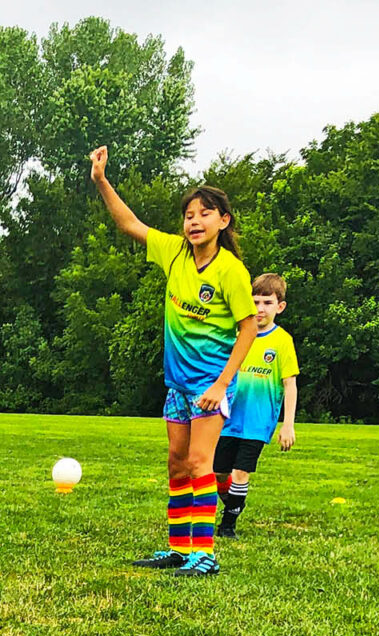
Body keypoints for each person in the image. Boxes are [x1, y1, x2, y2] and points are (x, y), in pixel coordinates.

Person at [90, 146, 255, 576]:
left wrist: (221, 385)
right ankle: (180, 549)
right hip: (178, 386)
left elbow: (249, 328)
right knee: (177, 464)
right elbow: (129, 223)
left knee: (201, 463)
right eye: (189, 215)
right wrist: (101, 181)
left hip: (210, 386)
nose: (194, 221)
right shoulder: (174, 253)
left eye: (204, 214)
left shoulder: (231, 271)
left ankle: (205, 555)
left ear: (224, 221)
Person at [215, 273, 298, 537]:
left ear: (280, 307)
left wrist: (288, 425)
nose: (260, 309)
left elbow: (290, 385)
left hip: (257, 421)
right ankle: (234, 503)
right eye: (256, 302)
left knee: (241, 472)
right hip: (227, 417)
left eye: (267, 302)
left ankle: (227, 526)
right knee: (218, 473)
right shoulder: (237, 335)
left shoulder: (282, 341)